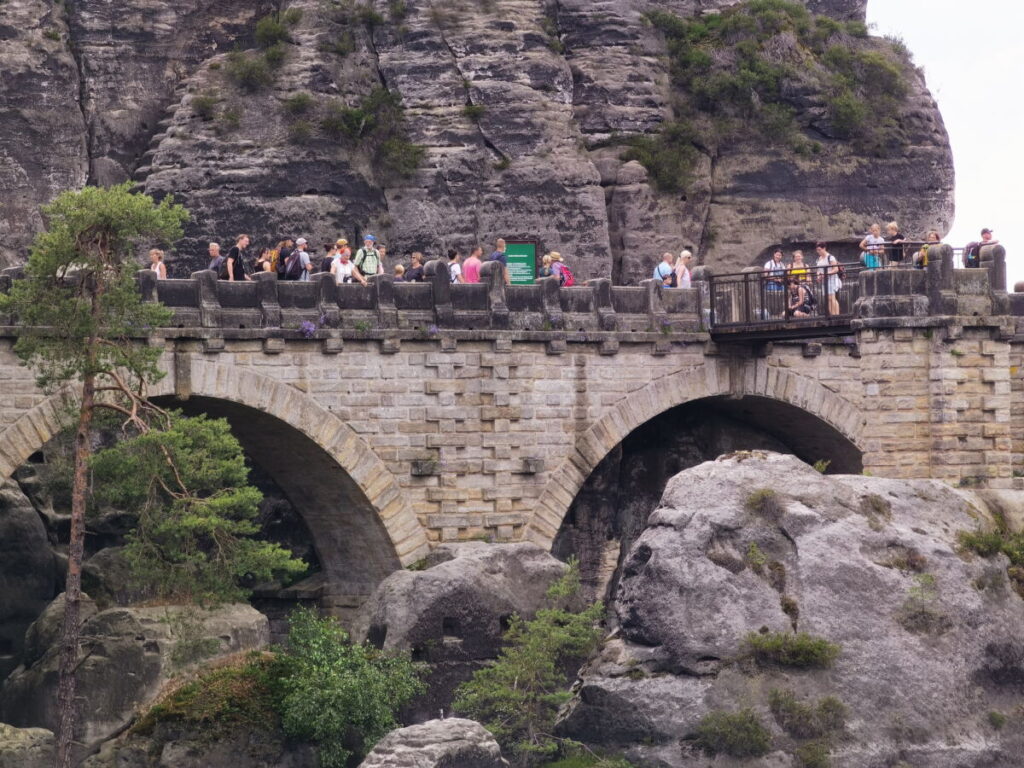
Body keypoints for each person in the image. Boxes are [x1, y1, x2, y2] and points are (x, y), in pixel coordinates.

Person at [814, 241, 841, 316]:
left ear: (824, 248)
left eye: (820, 249)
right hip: (824, 280)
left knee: (832, 298)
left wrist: (825, 274)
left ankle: (836, 315)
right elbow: (818, 270)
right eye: (817, 250)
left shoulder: (830, 257)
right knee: (828, 298)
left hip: (831, 279)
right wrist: (818, 276)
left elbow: (836, 269)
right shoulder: (819, 258)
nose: (818, 251)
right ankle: (831, 314)